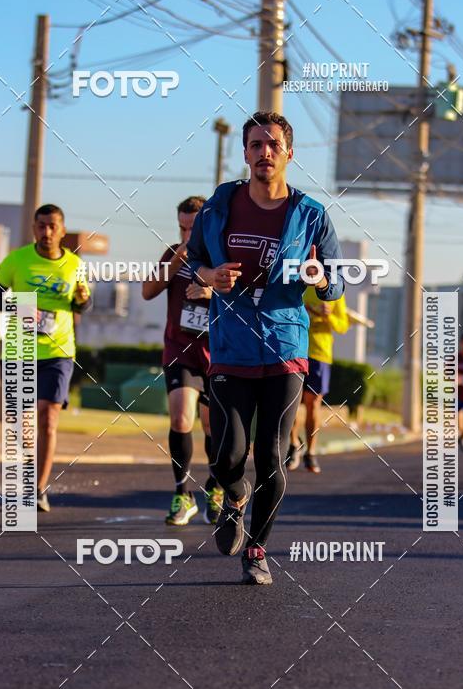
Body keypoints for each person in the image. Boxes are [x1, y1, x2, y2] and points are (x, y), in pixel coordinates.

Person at [188, 110, 345, 585]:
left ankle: (256, 552)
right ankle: (234, 499)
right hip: (231, 345)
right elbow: (192, 261)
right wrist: (209, 277)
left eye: (273, 144)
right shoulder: (220, 205)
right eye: (256, 145)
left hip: (285, 345)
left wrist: (321, 279)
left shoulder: (311, 215)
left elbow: (336, 282)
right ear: (245, 153)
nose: (265, 153)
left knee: (272, 456)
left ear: (289, 153)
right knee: (226, 454)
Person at [0, 204, 92, 512]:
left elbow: (82, 304)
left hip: (58, 351)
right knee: (22, 423)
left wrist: (83, 300)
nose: (47, 232)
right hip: (20, 350)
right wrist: (19, 306)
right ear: (34, 228)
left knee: (48, 418)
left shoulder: (74, 265)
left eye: (53, 226)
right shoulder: (16, 260)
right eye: (41, 226)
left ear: (62, 229)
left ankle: (39, 489)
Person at [142, 196, 223, 526]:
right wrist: (176, 261)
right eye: (182, 227)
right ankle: (182, 493)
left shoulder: (222, 256)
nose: (187, 233)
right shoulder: (173, 253)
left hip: (218, 355)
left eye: (194, 227)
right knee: (180, 418)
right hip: (180, 351)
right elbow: (148, 291)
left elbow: (248, 303)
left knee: (212, 426)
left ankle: (216, 487)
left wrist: (210, 294)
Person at [287, 289, 349, 473]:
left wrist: (329, 316)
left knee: (313, 405)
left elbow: (343, 326)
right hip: (294, 349)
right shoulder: (298, 284)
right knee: (290, 403)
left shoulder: (334, 292)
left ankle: (311, 452)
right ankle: (293, 444)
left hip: (320, 354)